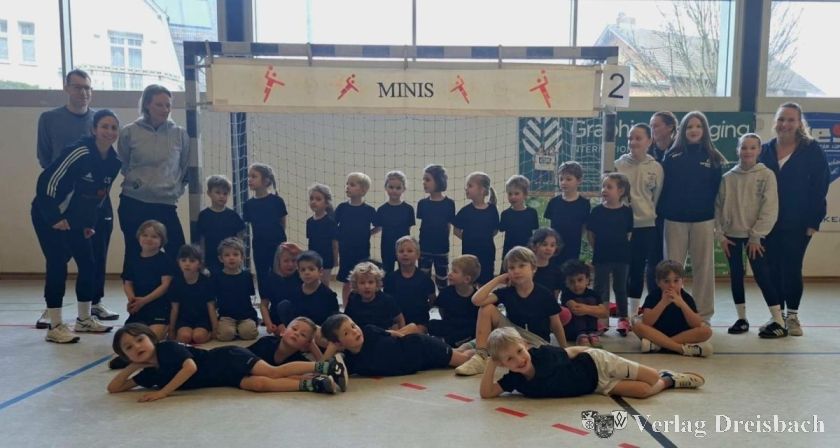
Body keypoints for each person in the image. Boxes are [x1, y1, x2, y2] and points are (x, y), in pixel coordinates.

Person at [35, 69, 119, 326]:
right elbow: (47, 176)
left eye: (87, 88)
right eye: (77, 87)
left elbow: (97, 194)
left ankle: (87, 314)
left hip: (82, 210)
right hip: (54, 206)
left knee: (90, 260)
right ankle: (54, 320)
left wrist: (88, 222)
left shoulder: (113, 161)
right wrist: (55, 215)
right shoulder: (75, 146)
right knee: (57, 262)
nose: (83, 92)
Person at [107, 323, 347, 400]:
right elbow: (114, 388)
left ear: (151, 338)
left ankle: (326, 366)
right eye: (129, 348)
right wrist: (133, 365)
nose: (137, 347)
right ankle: (315, 383)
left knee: (273, 372)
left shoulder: (167, 348)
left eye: (140, 340)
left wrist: (163, 393)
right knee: (259, 385)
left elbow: (190, 367)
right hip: (224, 377)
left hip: (229, 358)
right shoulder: (149, 373)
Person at [759, 102, 830, 337]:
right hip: (768, 223)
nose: (785, 124)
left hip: (798, 223)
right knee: (772, 269)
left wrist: (813, 222)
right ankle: (777, 317)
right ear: (775, 122)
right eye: (781, 119)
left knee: (791, 267)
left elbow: (820, 187)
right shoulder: (765, 150)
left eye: (790, 120)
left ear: (800, 123)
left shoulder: (812, 150)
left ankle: (792, 317)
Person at [479, 327, 704, 399]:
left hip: (597, 363)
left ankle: (660, 374)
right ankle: (670, 380)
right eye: (509, 359)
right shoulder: (514, 380)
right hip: (595, 385)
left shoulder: (543, 354)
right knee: (644, 391)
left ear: (526, 345)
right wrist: (491, 363)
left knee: (650, 377)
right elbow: (487, 393)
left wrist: (595, 352)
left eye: (520, 351)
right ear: (502, 363)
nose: (519, 360)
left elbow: (571, 351)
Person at [455, 247, 568, 376]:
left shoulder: (545, 294)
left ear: (533, 268)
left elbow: (556, 324)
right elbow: (476, 300)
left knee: (534, 357)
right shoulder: (507, 292)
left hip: (535, 340)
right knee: (486, 308)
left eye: (521, 266)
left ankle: (475, 350)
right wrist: (498, 280)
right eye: (512, 268)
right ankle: (481, 356)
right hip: (513, 334)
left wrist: (564, 349)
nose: (516, 271)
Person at [657, 111, 725, 322]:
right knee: (671, 269)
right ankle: (672, 311)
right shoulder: (672, 156)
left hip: (703, 220)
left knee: (703, 268)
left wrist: (718, 223)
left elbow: (717, 193)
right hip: (674, 220)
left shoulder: (714, 158)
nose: (694, 130)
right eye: (689, 126)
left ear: (705, 130)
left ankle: (703, 315)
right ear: (683, 130)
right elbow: (663, 188)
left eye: (698, 126)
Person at [715, 133, 782, 337]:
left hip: (756, 239)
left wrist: (756, 236)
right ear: (738, 150)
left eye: (753, 147)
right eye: (744, 147)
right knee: (736, 275)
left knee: (762, 275)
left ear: (759, 150)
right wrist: (720, 235)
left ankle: (778, 320)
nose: (748, 151)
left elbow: (770, 208)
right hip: (732, 236)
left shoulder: (767, 175)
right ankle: (742, 319)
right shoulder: (727, 178)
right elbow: (717, 208)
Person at [118, 85, 189, 270]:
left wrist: (174, 190)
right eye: (159, 105)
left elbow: (184, 168)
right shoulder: (129, 132)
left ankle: (174, 289)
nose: (165, 109)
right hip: (133, 202)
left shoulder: (179, 134)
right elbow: (124, 164)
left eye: (168, 105)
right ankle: (134, 289)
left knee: (178, 252)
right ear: (147, 105)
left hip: (165, 203)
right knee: (134, 252)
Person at [321, 314, 473, 376]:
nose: (354, 331)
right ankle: (469, 347)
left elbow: (393, 333)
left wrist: (408, 337)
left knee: (463, 361)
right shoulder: (351, 362)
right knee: (456, 354)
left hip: (422, 347)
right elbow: (323, 367)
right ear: (338, 342)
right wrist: (333, 347)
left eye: (353, 326)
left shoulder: (368, 331)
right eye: (346, 333)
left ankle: (480, 349)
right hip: (418, 365)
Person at [616, 124, 664, 316]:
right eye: (630, 138)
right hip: (622, 226)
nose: (633, 142)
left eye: (638, 138)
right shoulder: (618, 165)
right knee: (623, 270)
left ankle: (633, 314)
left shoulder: (656, 168)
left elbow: (656, 198)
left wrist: (646, 213)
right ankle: (622, 314)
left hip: (646, 226)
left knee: (638, 270)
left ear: (649, 141)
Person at [632, 260, 714, 357]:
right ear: (658, 283)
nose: (672, 285)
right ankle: (680, 348)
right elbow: (647, 322)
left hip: (681, 334)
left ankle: (658, 345)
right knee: (637, 326)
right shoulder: (653, 296)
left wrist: (682, 304)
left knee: (706, 331)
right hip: (657, 332)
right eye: (666, 281)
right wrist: (663, 303)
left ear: (682, 281)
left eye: (676, 281)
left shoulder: (686, 298)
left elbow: (696, 324)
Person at [587, 173, 634, 336]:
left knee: (621, 287)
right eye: (603, 186)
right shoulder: (597, 211)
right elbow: (591, 234)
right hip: (602, 256)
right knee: (600, 287)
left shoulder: (627, 212)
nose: (604, 190)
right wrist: (598, 249)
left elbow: (628, 234)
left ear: (620, 191)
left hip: (622, 257)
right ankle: (601, 318)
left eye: (609, 187)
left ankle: (623, 318)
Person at [122, 220, 177, 341]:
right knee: (129, 338)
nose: (149, 239)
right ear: (139, 237)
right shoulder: (132, 259)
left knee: (152, 338)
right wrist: (132, 300)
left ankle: (165, 327)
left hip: (158, 307)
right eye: (145, 235)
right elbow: (127, 283)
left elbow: (165, 285)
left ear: (162, 240)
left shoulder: (165, 260)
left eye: (154, 236)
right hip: (139, 307)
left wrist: (144, 301)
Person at [243, 163, 288, 295]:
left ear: (266, 180)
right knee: (262, 274)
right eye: (249, 176)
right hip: (259, 245)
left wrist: (281, 244)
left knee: (278, 273)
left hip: (277, 244)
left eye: (254, 176)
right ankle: (264, 301)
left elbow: (282, 223)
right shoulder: (248, 204)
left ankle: (279, 300)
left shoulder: (277, 201)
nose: (249, 179)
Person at [336, 172, 379, 305]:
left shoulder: (369, 210)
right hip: (345, 250)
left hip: (362, 251)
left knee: (362, 278)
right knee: (347, 280)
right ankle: (346, 307)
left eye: (352, 184)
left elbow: (378, 226)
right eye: (347, 184)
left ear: (363, 190)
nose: (348, 187)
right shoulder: (342, 208)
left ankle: (361, 305)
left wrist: (367, 233)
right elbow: (333, 226)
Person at [453, 172, 499, 285]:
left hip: (487, 253)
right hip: (469, 253)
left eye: (470, 186)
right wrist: (469, 239)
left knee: (485, 282)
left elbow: (495, 230)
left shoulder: (492, 210)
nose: (466, 189)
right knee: (469, 281)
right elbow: (456, 230)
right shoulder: (465, 211)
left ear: (482, 190)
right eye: (467, 186)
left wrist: (483, 238)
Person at [272, 251, 339, 328]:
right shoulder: (294, 291)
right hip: (299, 329)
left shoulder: (328, 295)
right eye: (303, 270)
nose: (307, 273)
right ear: (299, 273)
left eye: (311, 269)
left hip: (318, 330)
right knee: (284, 305)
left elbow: (333, 321)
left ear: (320, 272)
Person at [168, 245, 218, 344]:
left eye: (192, 261)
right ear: (178, 262)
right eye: (183, 260)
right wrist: (172, 330)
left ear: (199, 263)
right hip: (184, 319)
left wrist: (215, 329)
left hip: (202, 318)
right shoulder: (175, 282)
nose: (187, 264)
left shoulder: (206, 281)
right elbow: (174, 308)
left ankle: (206, 334)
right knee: (184, 337)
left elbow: (211, 307)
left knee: (198, 337)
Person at [383, 236, 435, 332]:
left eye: (410, 251)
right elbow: (387, 302)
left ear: (418, 254)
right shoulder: (390, 278)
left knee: (412, 334)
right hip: (396, 322)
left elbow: (432, 300)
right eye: (401, 251)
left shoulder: (425, 279)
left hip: (419, 322)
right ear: (396, 255)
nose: (405, 254)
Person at [195, 175, 245, 274]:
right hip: (211, 260)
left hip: (230, 261)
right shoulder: (204, 215)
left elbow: (240, 238)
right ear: (209, 193)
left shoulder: (233, 216)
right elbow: (201, 240)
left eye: (225, 193)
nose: (221, 196)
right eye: (218, 192)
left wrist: (238, 258)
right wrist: (202, 261)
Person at [417, 164, 456, 290]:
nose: (424, 182)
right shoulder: (422, 203)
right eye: (423, 179)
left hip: (442, 248)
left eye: (427, 179)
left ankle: (443, 301)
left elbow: (448, 226)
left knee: (442, 279)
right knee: (423, 279)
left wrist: (443, 242)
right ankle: (424, 300)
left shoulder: (449, 203)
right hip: (424, 248)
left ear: (439, 181)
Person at [544, 161, 590, 266]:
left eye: (568, 179)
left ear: (579, 180)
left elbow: (584, 226)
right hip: (554, 247)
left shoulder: (584, 204)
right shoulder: (553, 202)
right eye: (561, 179)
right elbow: (550, 227)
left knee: (570, 272)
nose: (564, 182)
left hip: (573, 246)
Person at [428, 255, 480, 347]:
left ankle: (457, 343)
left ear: (467, 279)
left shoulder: (476, 297)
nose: (450, 274)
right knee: (431, 324)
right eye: (451, 270)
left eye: (455, 272)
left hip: (467, 328)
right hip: (450, 324)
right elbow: (441, 310)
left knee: (471, 330)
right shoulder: (446, 292)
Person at [213, 238, 259, 341]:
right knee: (226, 335)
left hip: (245, 315)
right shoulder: (217, 277)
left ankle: (243, 327)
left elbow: (250, 297)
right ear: (221, 258)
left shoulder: (247, 276)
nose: (231, 258)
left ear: (242, 257)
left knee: (248, 334)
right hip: (226, 316)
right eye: (227, 255)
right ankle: (234, 330)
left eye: (235, 254)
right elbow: (214, 301)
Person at [344, 261, 404, 330]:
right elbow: (346, 320)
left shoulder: (387, 300)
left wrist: (401, 334)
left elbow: (400, 319)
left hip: (382, 334)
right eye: (362, 283)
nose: (367, 286)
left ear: (377, 283)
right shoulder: (353, 299)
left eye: (371, 282)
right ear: (356, 285)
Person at [375, 171, 415, 272]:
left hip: (404, 247)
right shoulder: (381, 209)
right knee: (388, 272)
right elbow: (378, 227)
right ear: (386, 187)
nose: (394, 190)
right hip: (387, 247)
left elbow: (408, 228)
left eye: (398, 188)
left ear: (403, 189)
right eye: (391, 187)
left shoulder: (408, 209)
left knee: (405, 271)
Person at [560, 260, 605, 347]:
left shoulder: (593, 294)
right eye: (571, 281)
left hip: (590, 330)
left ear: (587, 280)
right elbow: (576, 309)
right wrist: (593, 309)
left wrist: (586, 309)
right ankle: (581, 334)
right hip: (572, 332)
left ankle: (591, 333)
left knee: (591, 300)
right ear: (566, 283)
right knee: (584, 301)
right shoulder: (566, 294)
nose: (576, 284)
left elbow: (604, 313)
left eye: (580, 280)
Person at [260, 243, 302, 336]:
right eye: (286, 261)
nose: (290, 264)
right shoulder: (269, 279)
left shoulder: (300, 276)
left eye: (294, 260)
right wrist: (268, 324)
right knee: (287, 334)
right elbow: (264, 305)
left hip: (299, 316)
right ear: (278, 261)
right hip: (278, 318)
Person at [499, 175, 539, 272]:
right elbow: (501, 229)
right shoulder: (505, 214)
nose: (513, 197)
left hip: (526, 251)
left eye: (516, 193)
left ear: (525, 194)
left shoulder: (532, 213)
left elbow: (535, 232)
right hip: (509, 251)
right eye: (510, 194)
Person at [247, 317, 324, 365]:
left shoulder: (298, 360)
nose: (297, 333)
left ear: (305, 345)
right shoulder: (266, 343)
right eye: (294, 329)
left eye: (303, 335)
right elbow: (243, 356)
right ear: (283, 332)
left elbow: (323, 368)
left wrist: (312, 345)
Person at [306, 183, 338, 286]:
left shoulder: (330, 222)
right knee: (313, 282)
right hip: (313, 259)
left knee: (324, 284)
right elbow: (311, 242)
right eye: (311, 198)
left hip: (326, 259)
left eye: (318, 199)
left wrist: (335, 259)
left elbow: (334, 243)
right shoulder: (309, 221)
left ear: (326, 203)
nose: (314, 201)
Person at [529, 228, 565, 299]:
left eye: (552, 245)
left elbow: (555, 297)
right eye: (544, 244)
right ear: (534, 246)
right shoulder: (526, 268)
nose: (548, 248)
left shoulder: (557, 272)